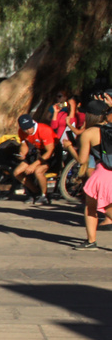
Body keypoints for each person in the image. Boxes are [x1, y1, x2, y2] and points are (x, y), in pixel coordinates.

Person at [73, 98, 112, 250]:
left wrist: (70, 147)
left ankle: (91, 241)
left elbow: (82, 160)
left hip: (103, 174)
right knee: (91, 205)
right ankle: (90, 241)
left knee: (105, 208)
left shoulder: (89, 133)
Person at [13, 115, 58, 201]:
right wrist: (22, 153)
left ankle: (44, 195)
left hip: (51, 152)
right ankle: (35, 192)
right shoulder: (22, 132)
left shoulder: (44, 130)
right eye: (25, 129)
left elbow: (49, 151)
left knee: (38, 171)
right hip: (38, 151)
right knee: (17, 172)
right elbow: (24, 145)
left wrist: (33, 165)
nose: (28, 131)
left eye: (30, 128)